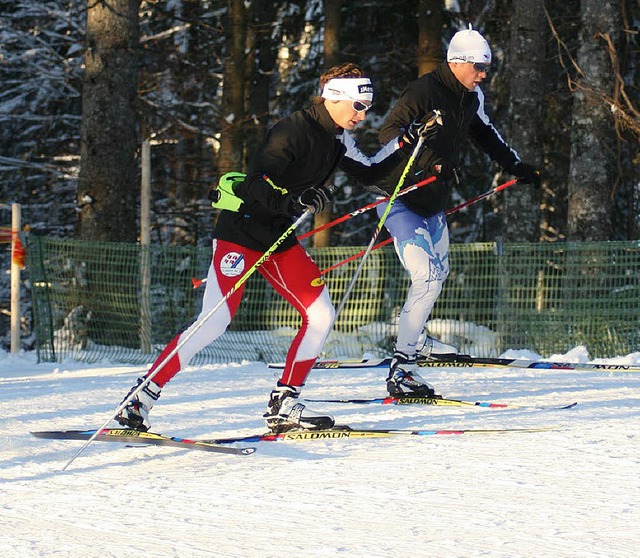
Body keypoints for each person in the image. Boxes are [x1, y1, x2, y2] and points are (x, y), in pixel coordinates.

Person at [116, 62, 424, 434]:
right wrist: (295, 202)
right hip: (242, 234)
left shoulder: (338, 139)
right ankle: (140, 399)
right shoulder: (292, 130)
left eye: (368, 106)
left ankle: (286, 402)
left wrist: (408, 142)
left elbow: (372, 173)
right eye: (359, 106)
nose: (364, 114)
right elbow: (255, 184)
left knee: (321, 314)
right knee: (215, 321)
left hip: (280, 240)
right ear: (334, 98)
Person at [376, 25, 541, 398]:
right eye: (479, 67)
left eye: (486, 67)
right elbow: (387, 135)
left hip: (433, 204)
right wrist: (426, 165)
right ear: (457, 62)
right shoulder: (424, 90)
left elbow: (486, 135)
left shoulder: (471, 97)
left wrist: (517, 167)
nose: (483, 74)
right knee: (429, 277)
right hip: (400, 198)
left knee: (440, 273)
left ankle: (415, 340)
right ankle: (402, 368)